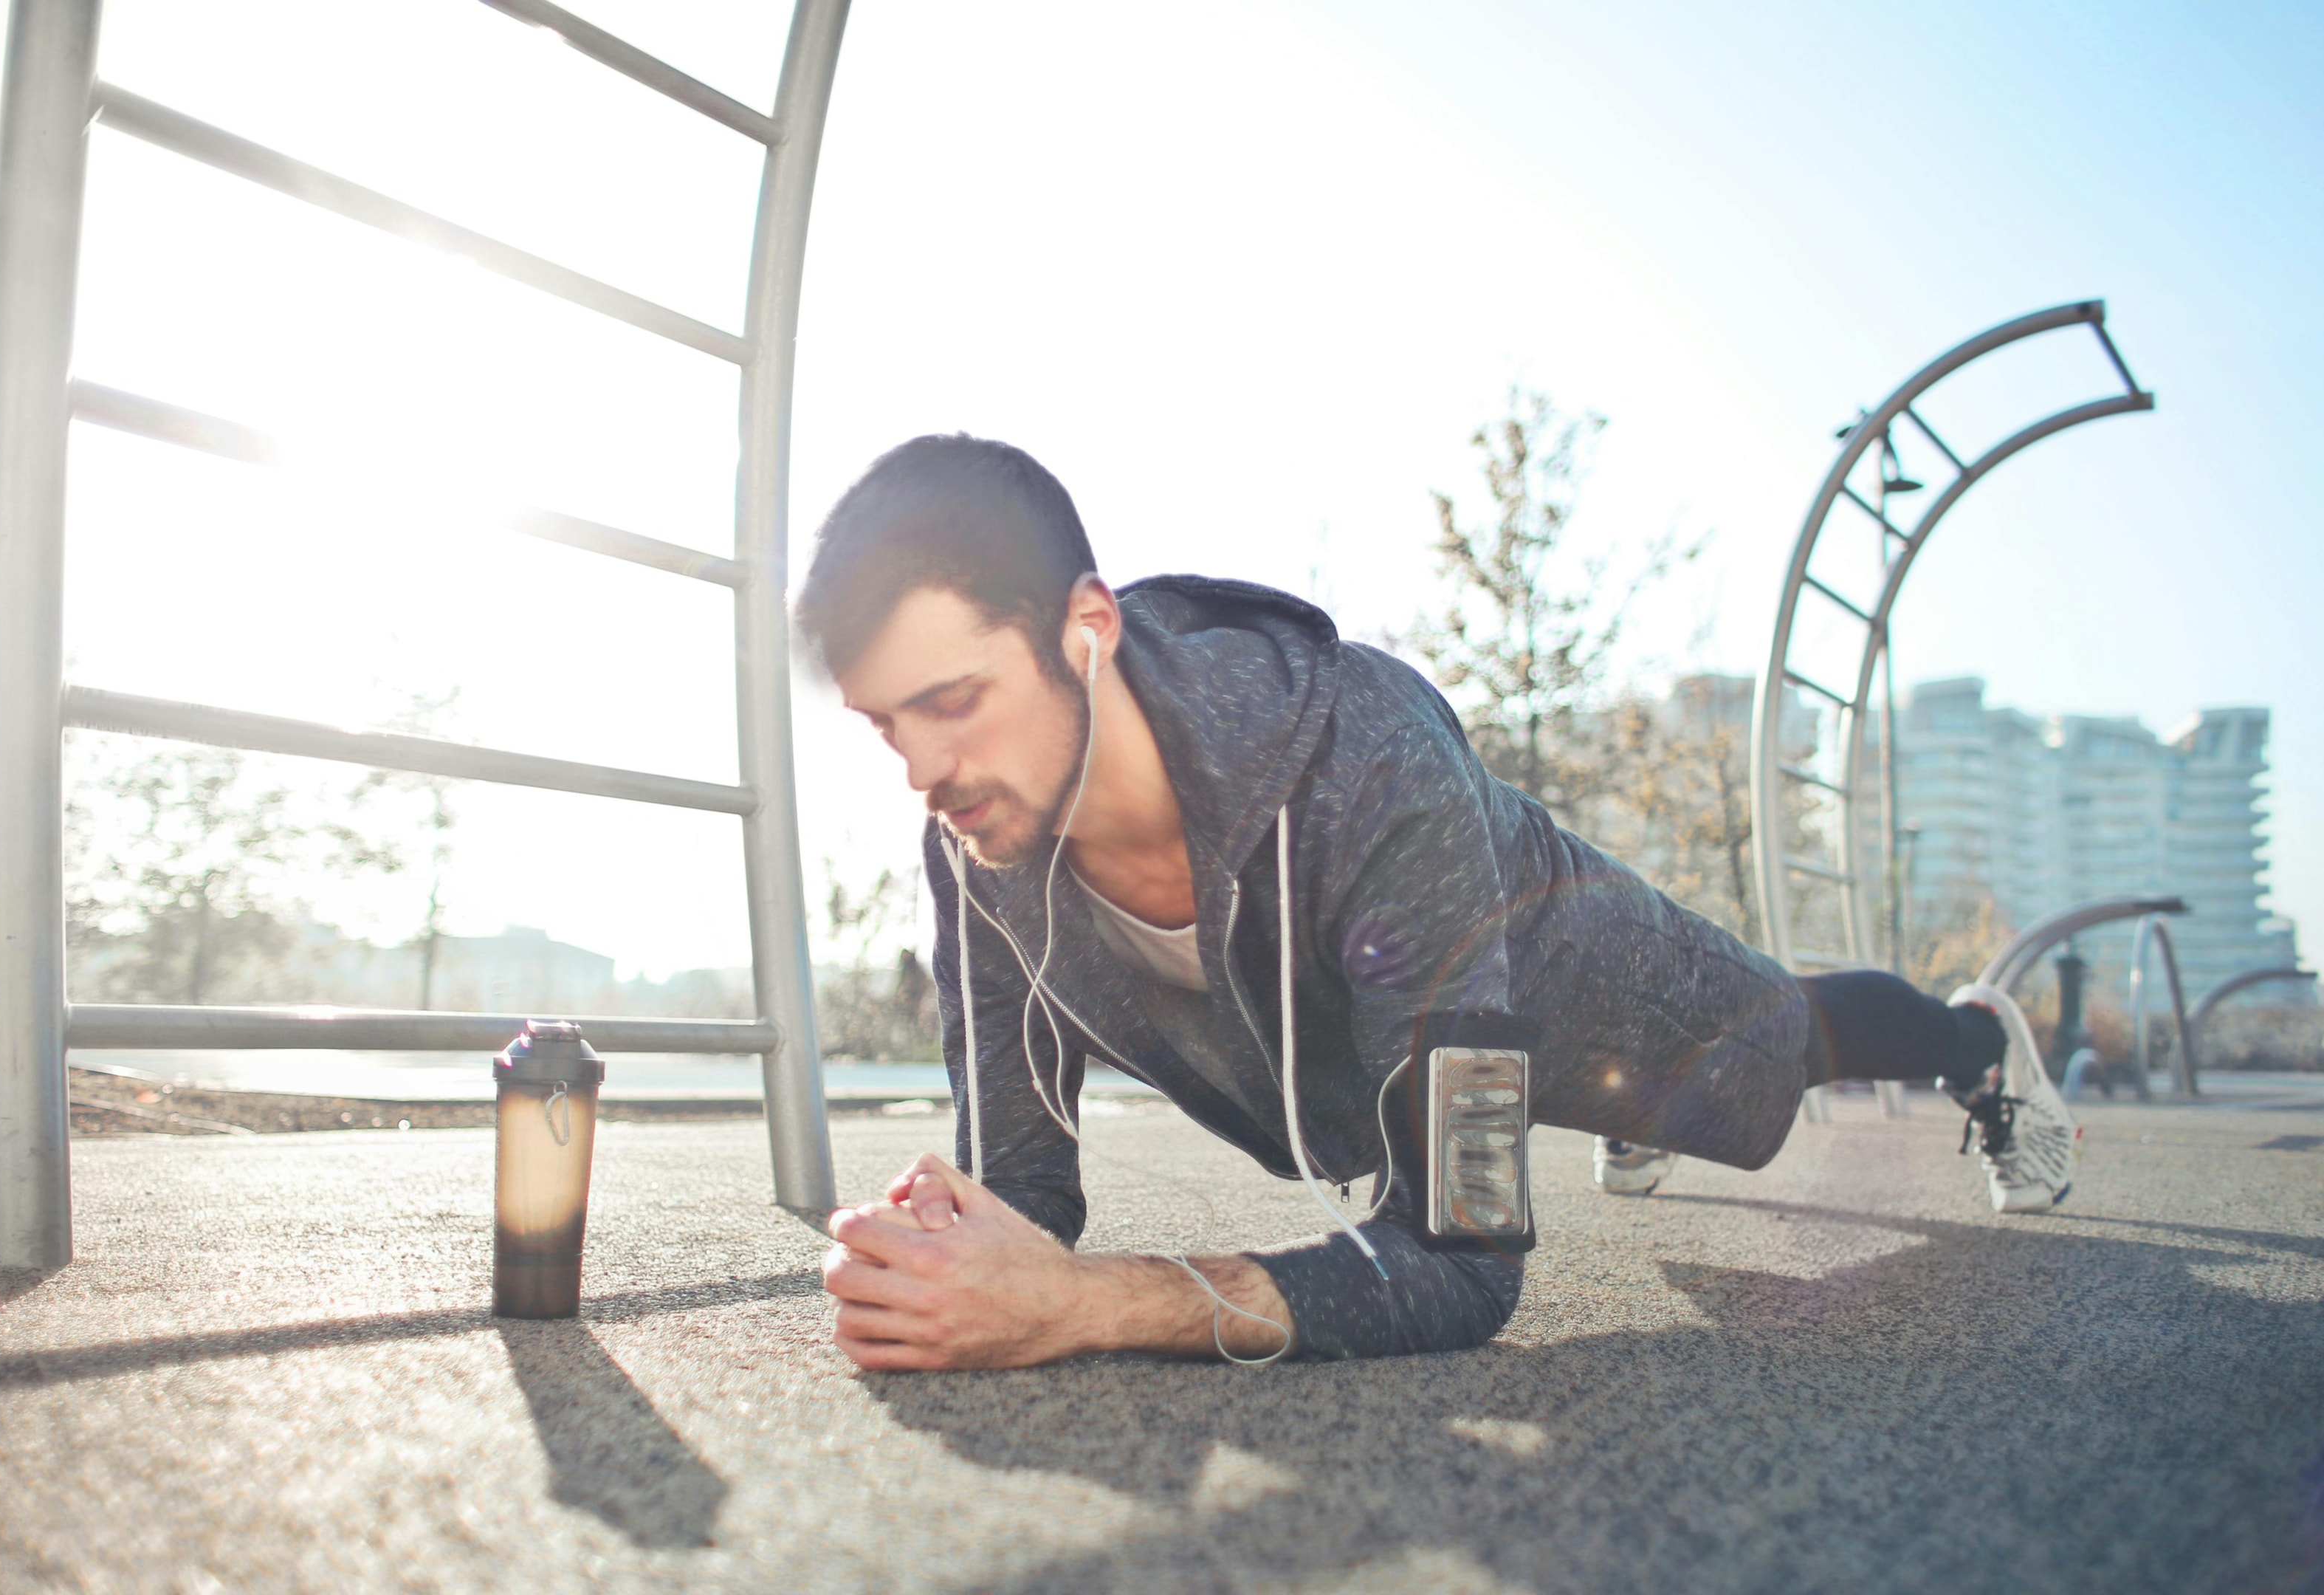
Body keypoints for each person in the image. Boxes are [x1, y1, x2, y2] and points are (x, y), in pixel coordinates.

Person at [800, 434, 2080, 1371]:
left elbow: (1460, 1262)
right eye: (884, 726)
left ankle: (1979, 1040)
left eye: (954, 702)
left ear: (1086, 628)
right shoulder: (979, 840)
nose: (924, 773)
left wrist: (1085, 1304)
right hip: (1424, 1055)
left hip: (1592, 988)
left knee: (1787, 1047)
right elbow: (1024, 1187)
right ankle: (1601, 1111)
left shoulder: (1367, 753)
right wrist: (946, 1259)